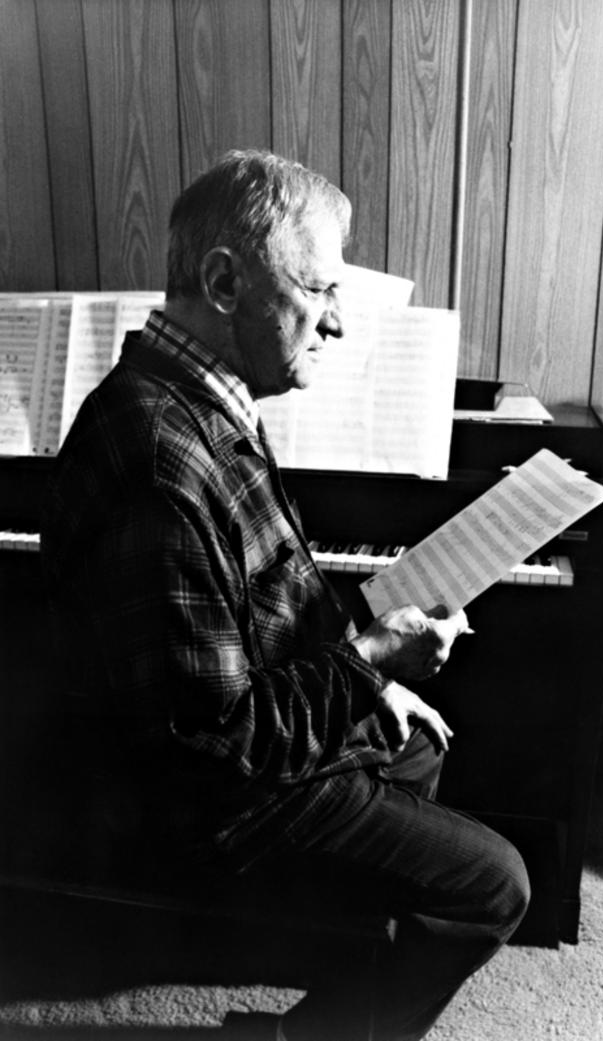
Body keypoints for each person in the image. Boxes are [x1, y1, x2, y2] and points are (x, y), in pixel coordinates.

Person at [41, 149, 529, 1041]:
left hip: (242, 747)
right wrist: (370, 657)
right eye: (320, 290)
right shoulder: (160, 458)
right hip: (208, 806)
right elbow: (212, 746)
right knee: (495, 885)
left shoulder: (200, 394)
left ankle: (346, 978)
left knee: (415, 745)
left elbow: (276, 589)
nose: (337, 323)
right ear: (225, 281)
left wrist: (378, 685)